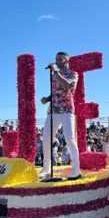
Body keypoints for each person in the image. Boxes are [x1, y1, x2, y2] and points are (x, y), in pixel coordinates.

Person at [39, 51, 81, 180]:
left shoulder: (73, 74)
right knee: (46, 139)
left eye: (60, 58)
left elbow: (67, 86)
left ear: (67, 61)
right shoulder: (55, 75)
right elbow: (56, 92)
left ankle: (76, 170)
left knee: (70, 139)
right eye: (56, 59)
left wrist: (55, 72)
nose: (57, 61)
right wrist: (48, 98)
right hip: (53, 111)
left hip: (66, 110)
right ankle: (46, 168)